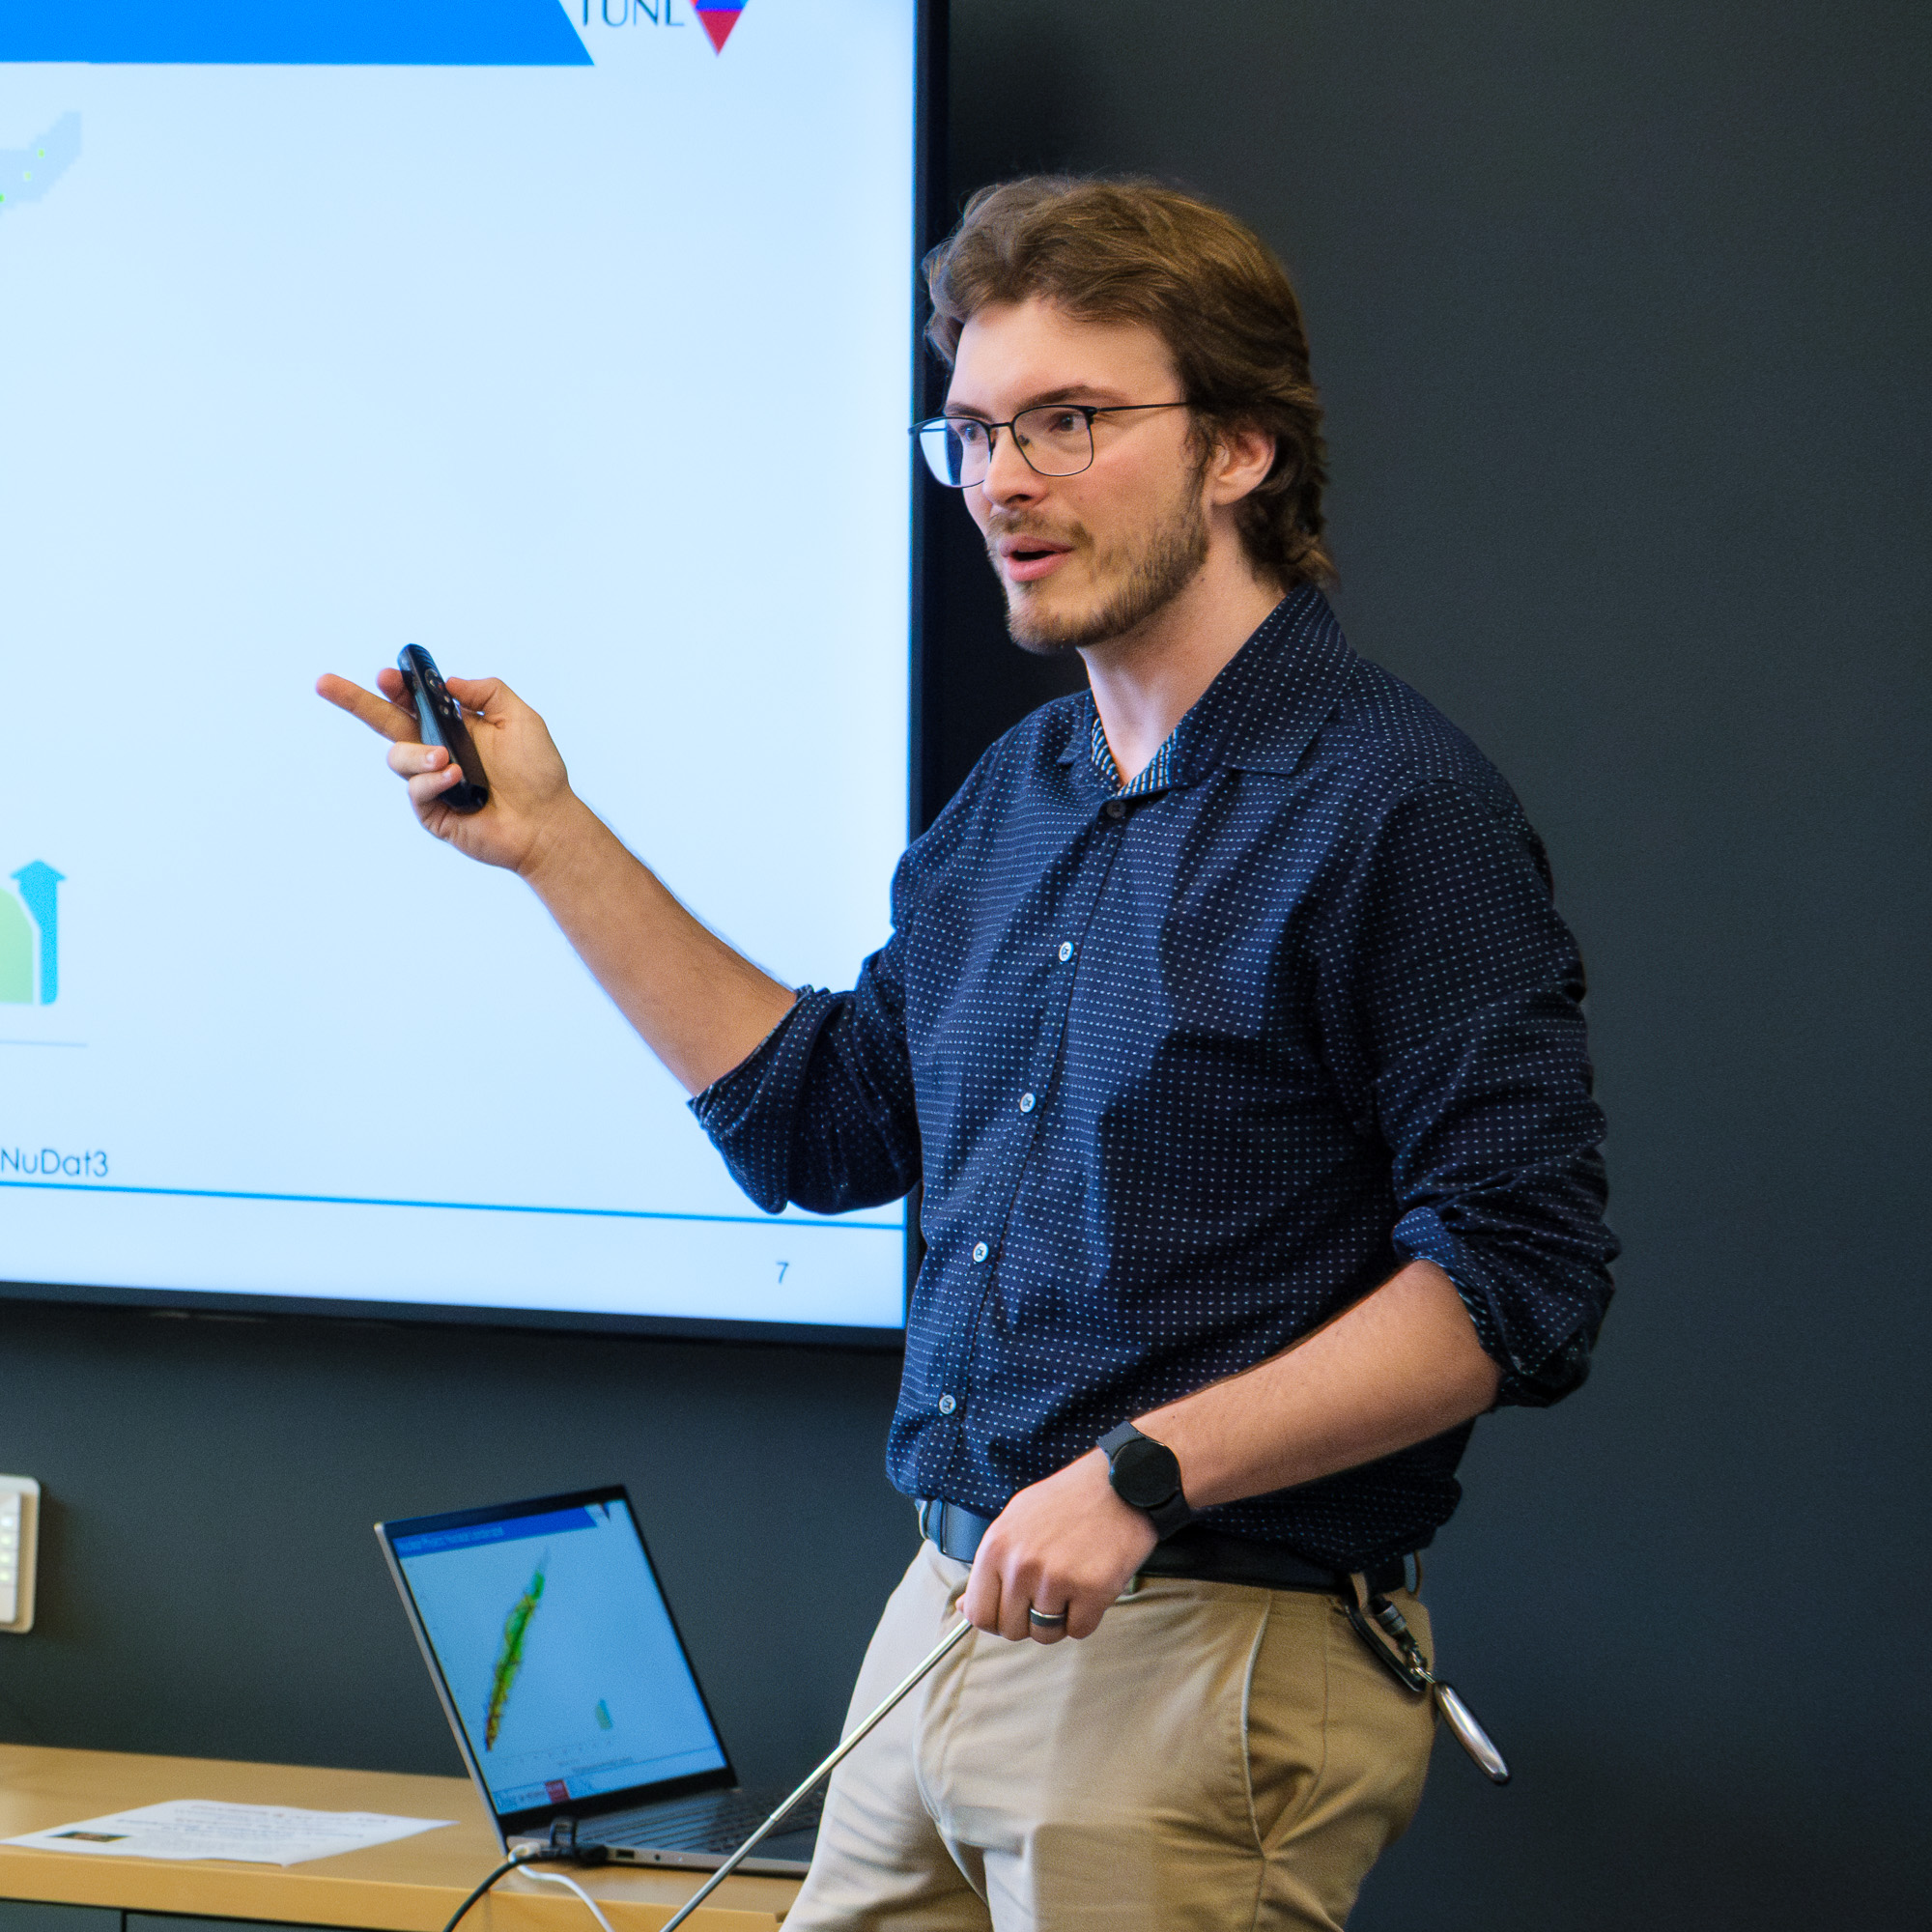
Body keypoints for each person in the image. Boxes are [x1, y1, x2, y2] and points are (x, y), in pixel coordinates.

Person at [318, 176, 1613, 1930]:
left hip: (1200, 1646)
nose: (1003, 479)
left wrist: (1144, 1472)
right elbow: (819, 1124)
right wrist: (551, 836)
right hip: (945, 1619)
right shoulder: (1023, 796)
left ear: (1239, 451)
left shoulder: (1395, 810)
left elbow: (1515, 1279)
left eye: (1070, 422)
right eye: (978, 431)